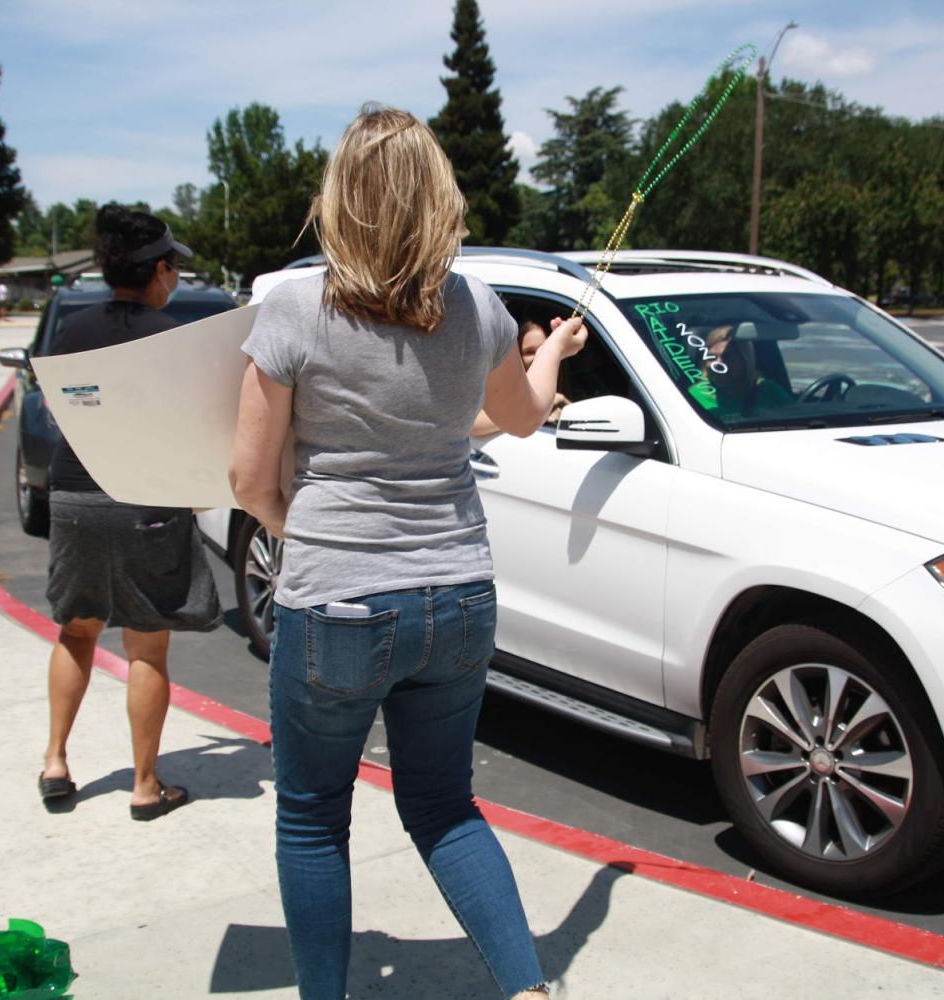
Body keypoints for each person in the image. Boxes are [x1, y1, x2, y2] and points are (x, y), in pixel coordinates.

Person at [230, 104, 584, 1000]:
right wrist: (553, 356)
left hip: (339, 603)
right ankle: (529, 989)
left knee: (312, 820)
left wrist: (300, 533)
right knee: (443, 806)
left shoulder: (294, 308)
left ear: (339, 201)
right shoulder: (477, 307)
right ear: (439, 200)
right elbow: (521, 419)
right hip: (458, 594)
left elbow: (247, 478)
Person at [37, 203, 222, 821]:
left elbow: (62, 412)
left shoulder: (72, 332)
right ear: (161, 269)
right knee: (146, 649)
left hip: (71, 498)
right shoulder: (165, 337)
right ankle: (146, 786)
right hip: (144, 500)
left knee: (77, 628)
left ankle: (56, 761)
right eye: (174, 269)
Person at [470, 318, 571, 439]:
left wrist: (566, 408)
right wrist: (547, 405)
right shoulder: (501, 389)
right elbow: (473, 424)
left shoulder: (566, 385)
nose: (539, 356)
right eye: (529, 352)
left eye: (544, 349)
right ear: (517, 358)